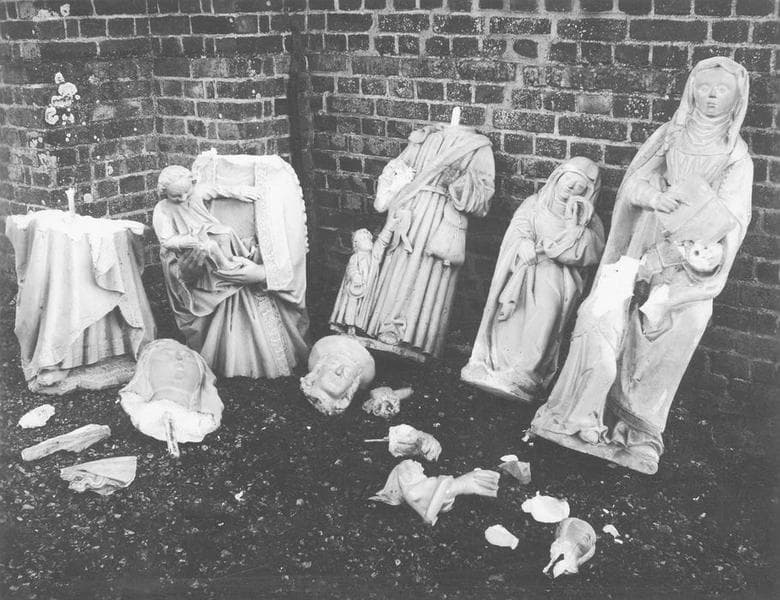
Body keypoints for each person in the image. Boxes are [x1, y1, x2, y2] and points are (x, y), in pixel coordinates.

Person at [531, 57, 754, 474]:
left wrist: (705, 252)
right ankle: (577, 414)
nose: (710, 96)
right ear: (691, 90)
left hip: (689, 262)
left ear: (737, 98)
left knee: (683, 321)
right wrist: (655, 198)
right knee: (602, 313)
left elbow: (733, 220)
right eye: (703, 87)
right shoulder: (670, 136)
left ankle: (638, 432)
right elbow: (633, 183)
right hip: (643, 243)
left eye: (721, 90)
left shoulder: (735, 156)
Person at [333, 124, 495, 360]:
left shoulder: (478, 147)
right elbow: (397, 168)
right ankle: (381, 325)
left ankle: (409, 335)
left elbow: (483, 198)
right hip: (408, 210)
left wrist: (459, 184)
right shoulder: (425, 136)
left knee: (424, 270)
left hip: (441, 216)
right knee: (397, 266)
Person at [462, 157, 605, 402]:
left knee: (546, 312)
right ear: (557, 178)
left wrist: (575, 228)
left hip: (557, 275)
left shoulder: (587, 218)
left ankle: (526, 372)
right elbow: (519, 229)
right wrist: (523, 244)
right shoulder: (535, 204)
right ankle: (496, 365)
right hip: (525, 268)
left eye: (579, 187)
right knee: (513, 316)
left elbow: (592, 250)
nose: (571, 189)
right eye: (568, 182)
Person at [153, 162, 309, 379]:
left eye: (186, 192)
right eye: (176, 196)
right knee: (208, 247)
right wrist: (188, 241)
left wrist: (239, 191)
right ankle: (225, 268)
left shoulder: (196, 193)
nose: (183, 198)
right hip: (188, 241)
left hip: (207, 231)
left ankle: (231, 263)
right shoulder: (163, 209)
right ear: (164, 194)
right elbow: (166, 240)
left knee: (224, 233)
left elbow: (218, 189)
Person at [330, 229, 374, 335]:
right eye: (363, 239)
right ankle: (350, 326)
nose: (367, 241)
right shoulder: (356, 257)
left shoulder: (372, 258)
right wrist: (356, 277)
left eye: (368, 238)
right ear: (356, 244)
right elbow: (351, 268)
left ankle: (358, 326)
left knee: (361, 308)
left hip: (364, 288)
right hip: (354, 288)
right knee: (351, 306)